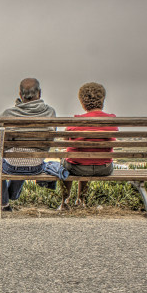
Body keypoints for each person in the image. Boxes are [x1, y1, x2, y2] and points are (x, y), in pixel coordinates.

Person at [0, 77, 57, 211]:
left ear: (20, 95)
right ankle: (13, 195)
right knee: (24, 157)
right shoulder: (50, 113)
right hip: (37, 166)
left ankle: (4, 204)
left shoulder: (8, 114)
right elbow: (49, 142)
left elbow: (1, 147)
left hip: (12, 167)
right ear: (40, 93)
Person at [59, 82, 117, 210]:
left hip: (78, 168)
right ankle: (81, 200)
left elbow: (64, 139)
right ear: (102, 100)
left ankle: (64, 202)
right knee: (85, 159)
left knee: (67, 163)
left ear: (82, 102)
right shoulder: (111, 120)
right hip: (104, 168)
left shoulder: (76, 121)